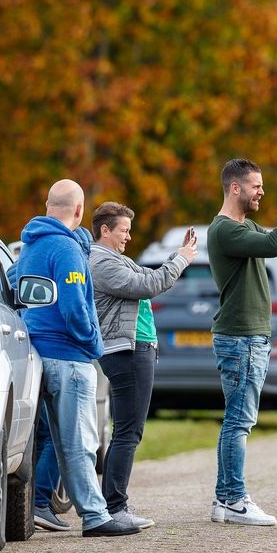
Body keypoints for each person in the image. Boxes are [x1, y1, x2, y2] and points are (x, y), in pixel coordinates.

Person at [8, 179, 140, 537]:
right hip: (69, 356)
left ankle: (39, 504)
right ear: (80, 211)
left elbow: (13, 283)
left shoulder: (30, 247)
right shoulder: (66, 250)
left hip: (37, 352)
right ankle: (96, 517)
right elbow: (74, 309)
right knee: (81, 441)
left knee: (53, 437)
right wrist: (94, 345)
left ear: (48, 204)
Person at [207, 158, 277, 526]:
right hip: (241, 338)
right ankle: (236, 499)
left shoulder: (244, 227)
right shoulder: (225, 230)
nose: (262, 192)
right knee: (239, 422)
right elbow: (274, 242)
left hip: (250, 338)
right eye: (256, 186)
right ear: (235, 188)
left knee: (237, 420)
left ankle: (224, 500)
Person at [89, 202, 198, 530]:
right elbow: (148, 286)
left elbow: (150, 277)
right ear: (105, 230)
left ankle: (113, 505)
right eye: (123, 230)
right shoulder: (101, 262)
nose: (129, 236)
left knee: (126, 430)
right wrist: (181, 260)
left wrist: (175, 259)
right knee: (127, 432)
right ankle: (114, 508)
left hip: (135, 350)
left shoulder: (114, 259)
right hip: (125, 352)